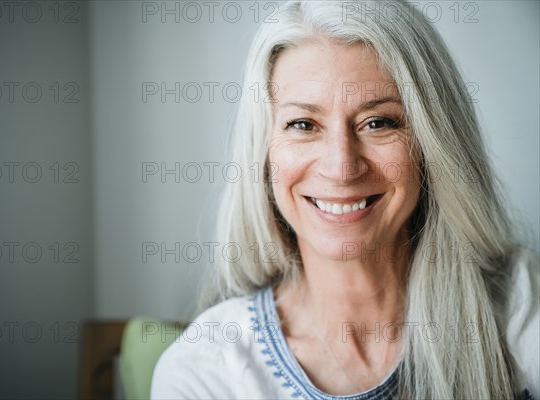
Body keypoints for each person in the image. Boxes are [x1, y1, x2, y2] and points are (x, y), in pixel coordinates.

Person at [151, 1, 539, 398]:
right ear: (263, 155)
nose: (341, 167)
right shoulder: (206, 369)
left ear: (432, 143)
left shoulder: (521, 310)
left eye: (378, 122)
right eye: (303, 124)